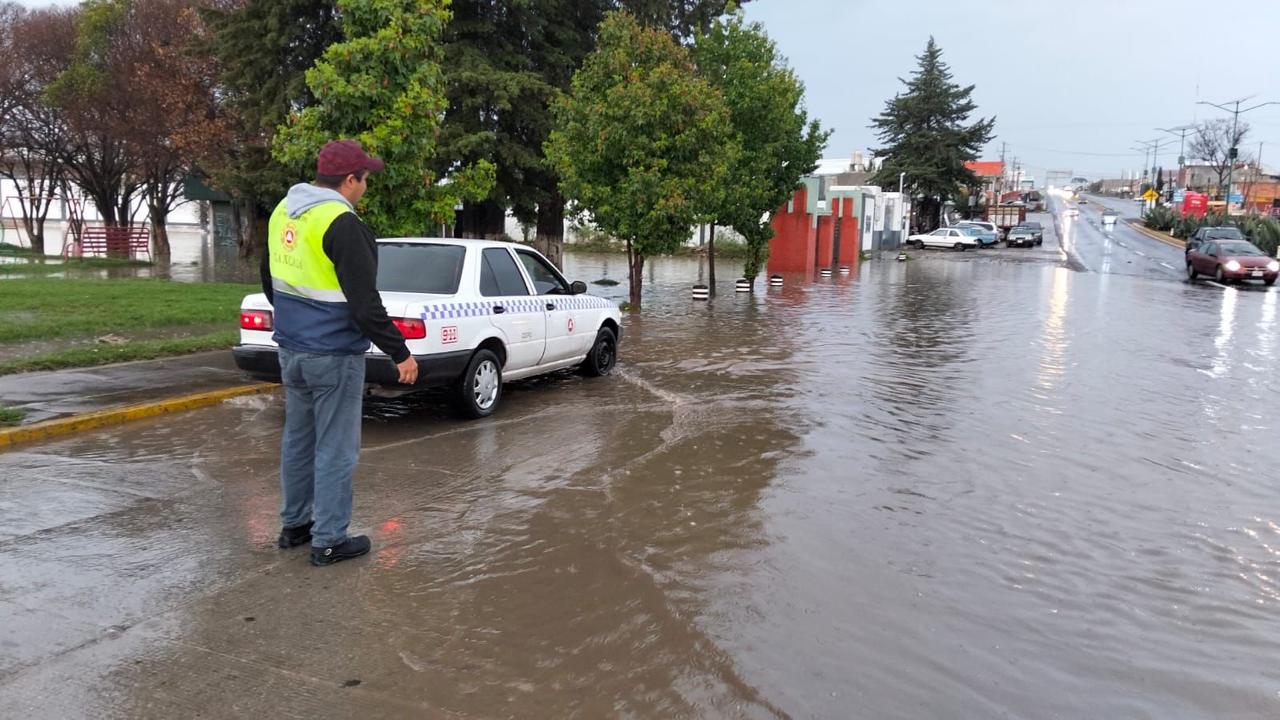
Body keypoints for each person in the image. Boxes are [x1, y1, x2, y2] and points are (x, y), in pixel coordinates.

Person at [261, 139, 419, 567]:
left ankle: (295, 525)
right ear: (350, 180)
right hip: (333, 354)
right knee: (336, 448)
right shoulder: (344, 224)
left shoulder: (283, 211)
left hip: (291, 349)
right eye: (365, 179)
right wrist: (400, 353)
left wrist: (298, 323)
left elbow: (269, 277)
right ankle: (329, 540)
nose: (366, 187)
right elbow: (365, 304)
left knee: (298, 440)